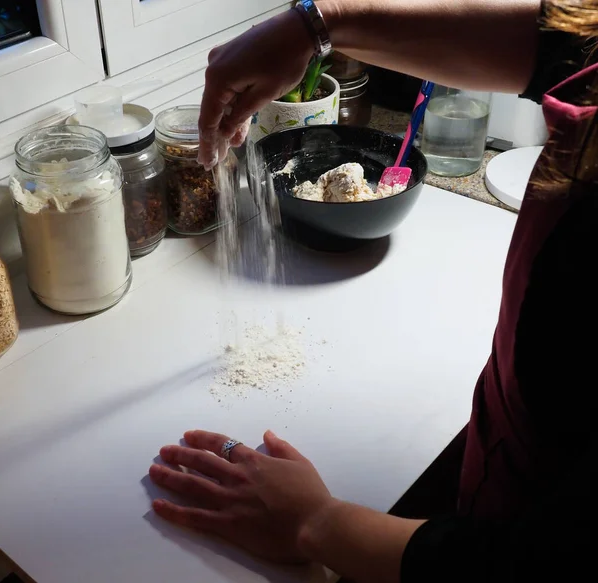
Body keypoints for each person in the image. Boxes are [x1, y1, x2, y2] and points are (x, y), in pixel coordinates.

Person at [149, 1, 598, 581]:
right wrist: (316, 26)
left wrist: (316, 523)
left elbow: (541, 561)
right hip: (505, 463)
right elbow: (563, 45)